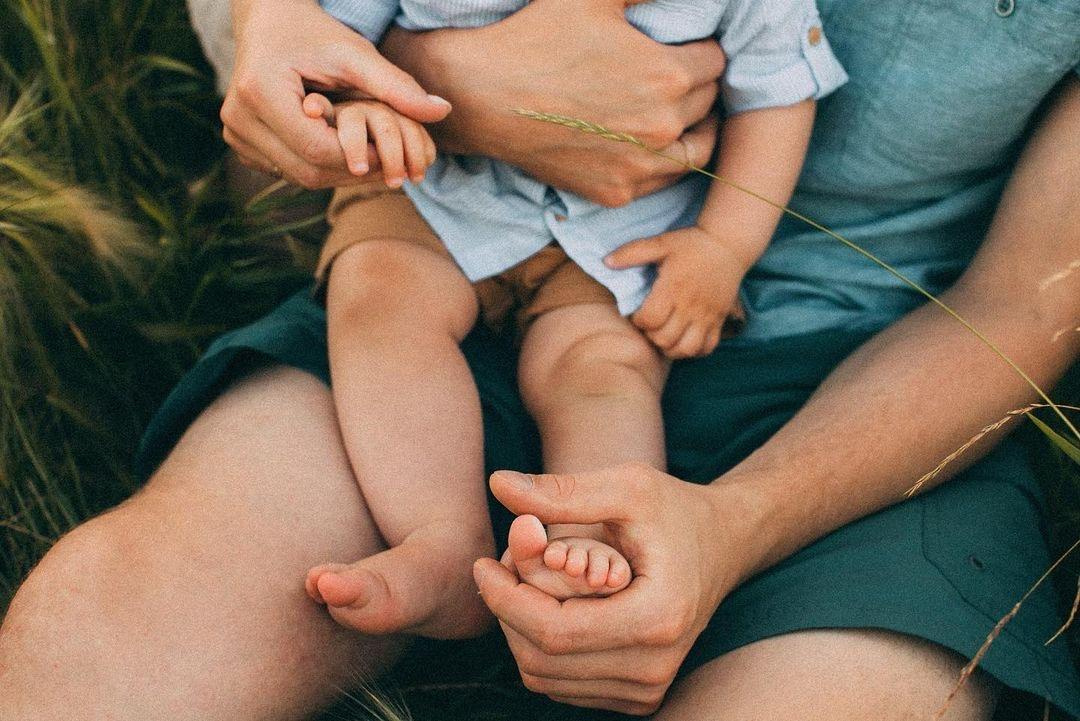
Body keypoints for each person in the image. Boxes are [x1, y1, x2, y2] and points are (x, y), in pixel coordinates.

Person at [1, 0, 1078, 719]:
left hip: (867, 400)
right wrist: (435, 81)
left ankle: (580, 543)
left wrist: (732, 526)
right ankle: (453, 547)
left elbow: (1023, 307)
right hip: (473, 275)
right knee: (110, 640)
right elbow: (289, 54)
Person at [299, 0, 846, 637]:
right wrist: (352, 103)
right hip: (436, 193)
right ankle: (443, 546)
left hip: (621, 234)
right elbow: (329, 45)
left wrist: (723, 247)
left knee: (599, 372)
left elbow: (776, 100)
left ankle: (581, 547)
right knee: (378, 297)